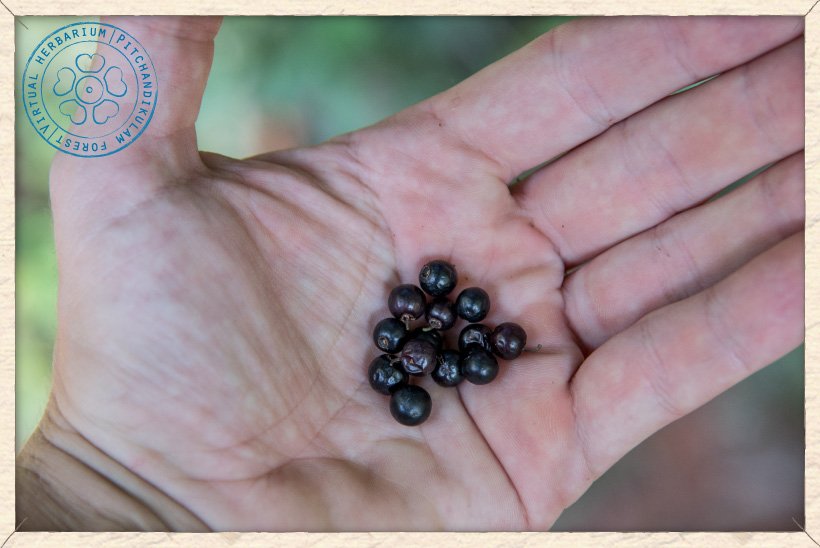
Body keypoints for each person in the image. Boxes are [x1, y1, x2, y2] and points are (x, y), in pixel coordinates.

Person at [16, 15, 804, 531]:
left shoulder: (434, 342)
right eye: (418, 350)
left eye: (419, 347)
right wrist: (104, 486)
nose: (418, 351)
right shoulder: (426, 348)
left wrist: (110, 493)